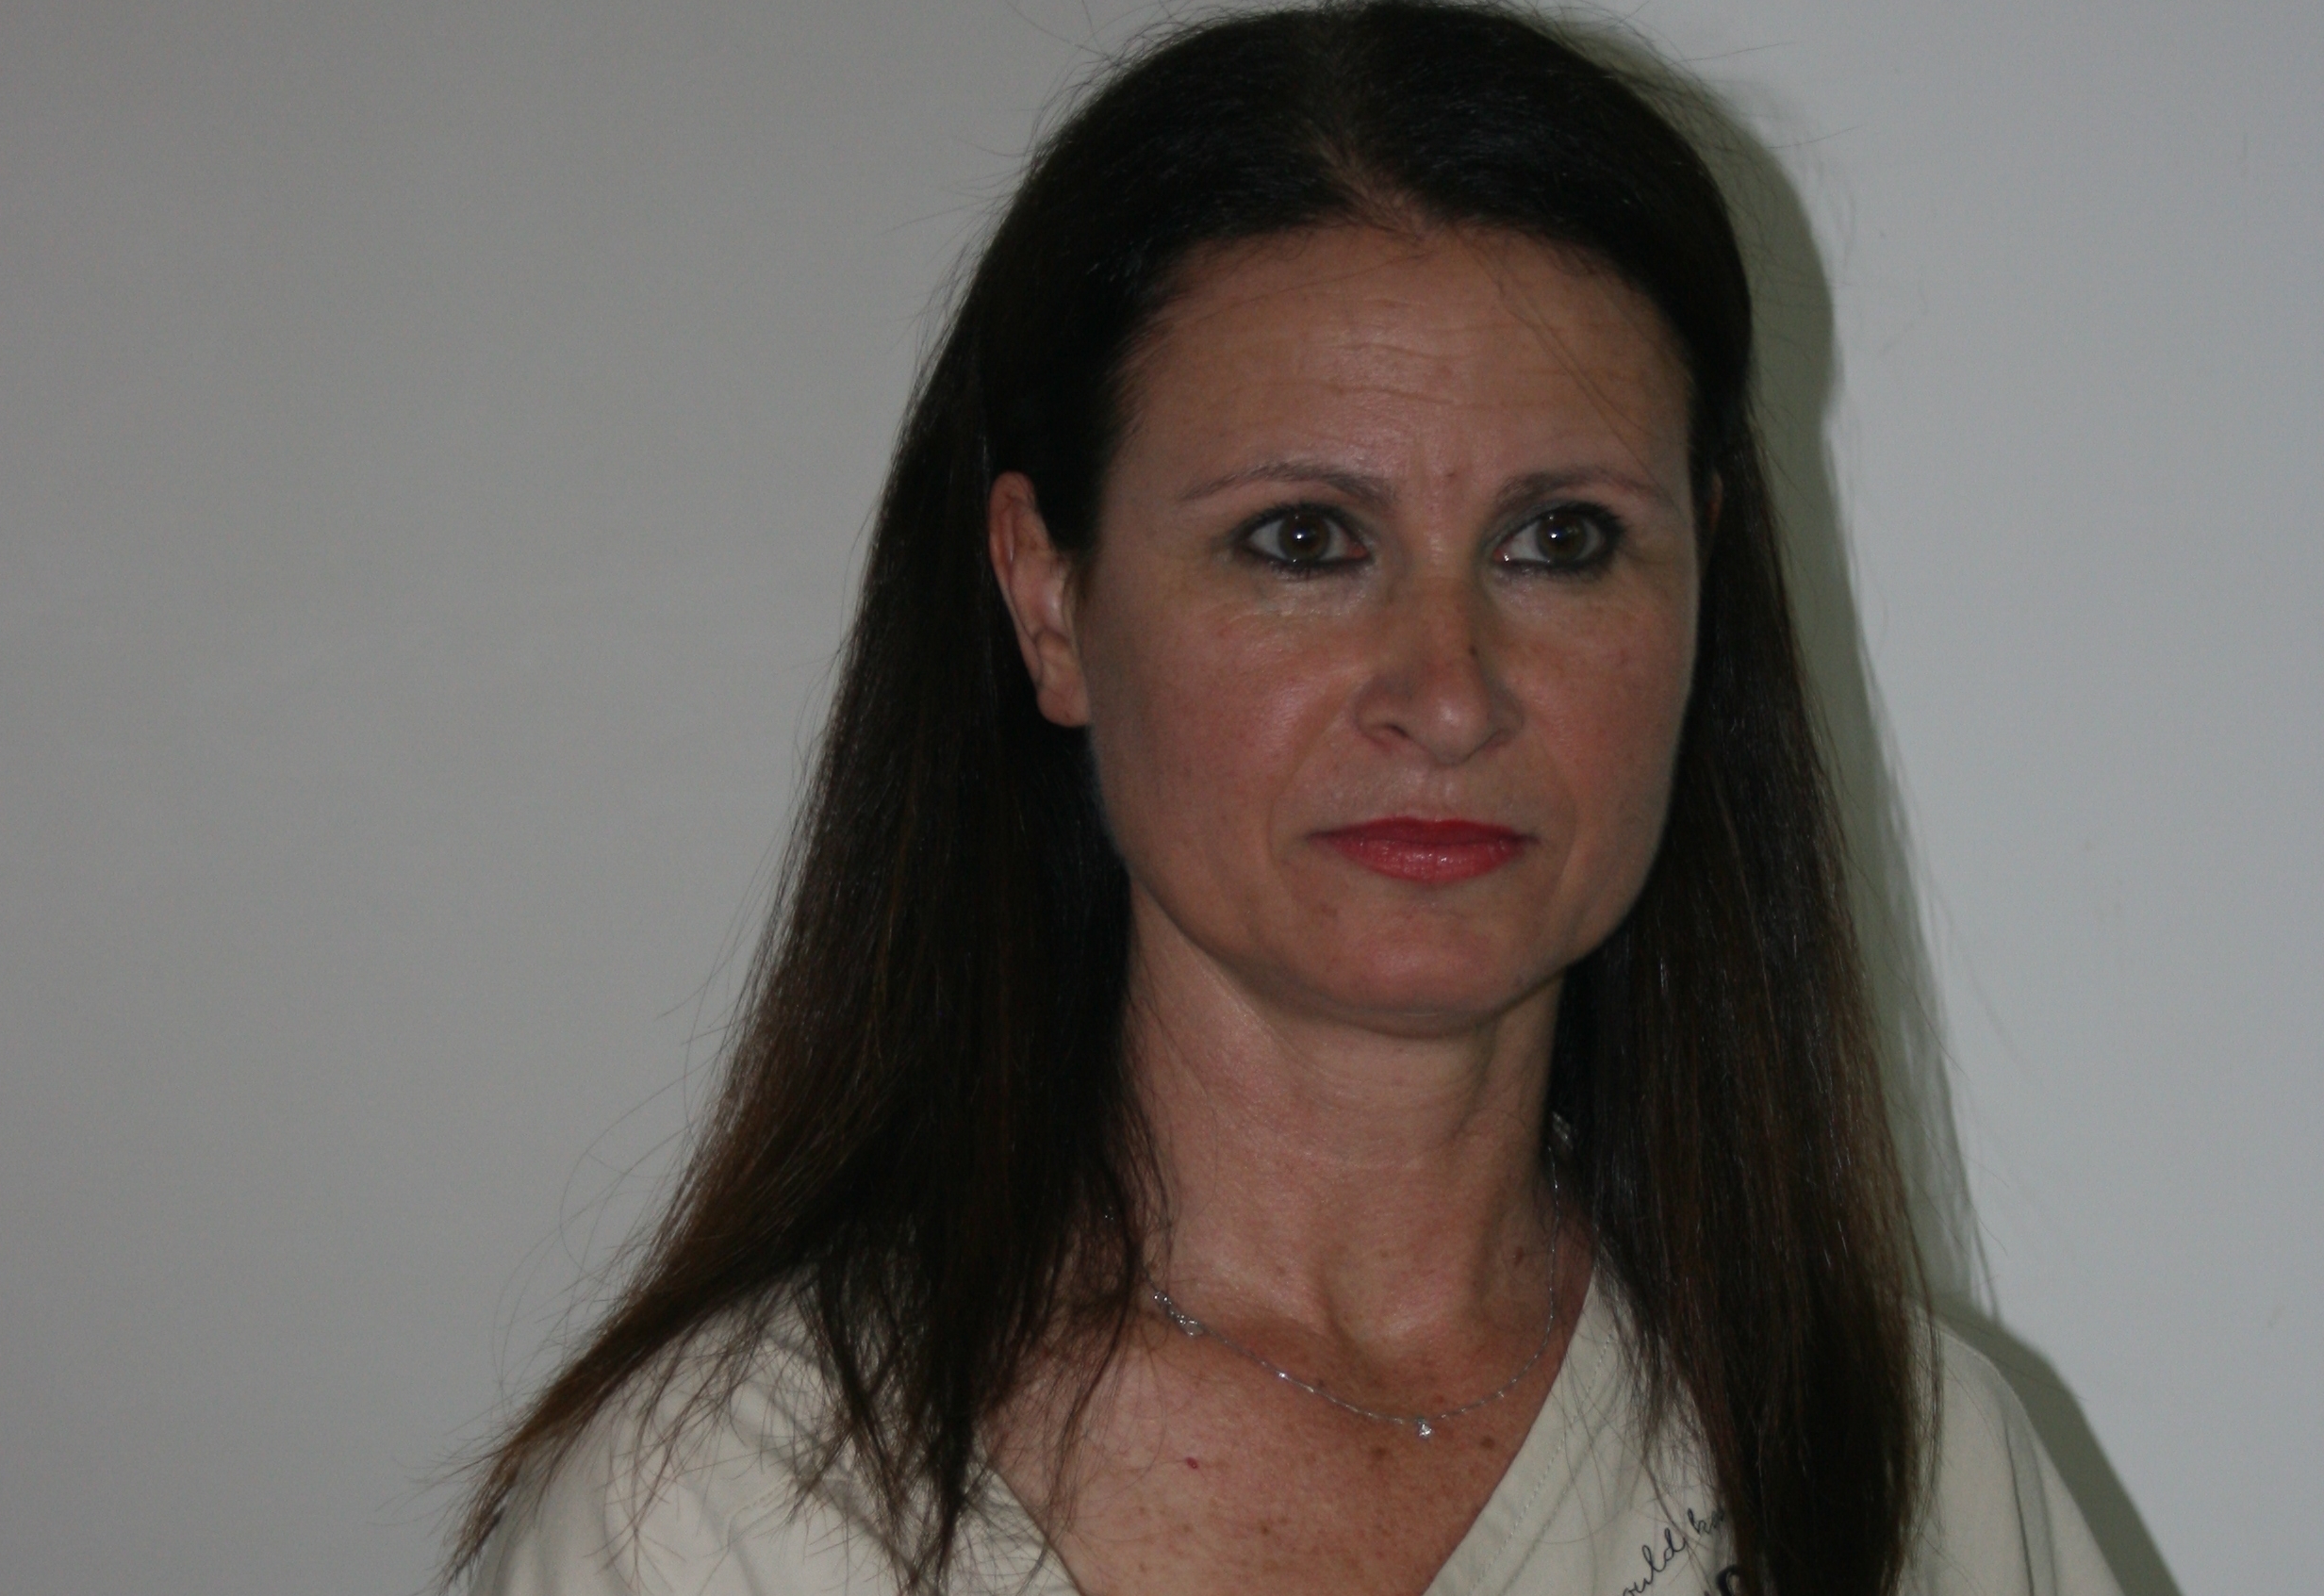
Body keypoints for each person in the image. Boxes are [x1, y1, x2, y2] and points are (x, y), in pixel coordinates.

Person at [452, 6, 2121, 1593]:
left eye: (1561, 541)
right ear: (1050, 600)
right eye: (1305, 540)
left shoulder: (1912, 1470)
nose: (1450, 694)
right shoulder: (722, 1522)